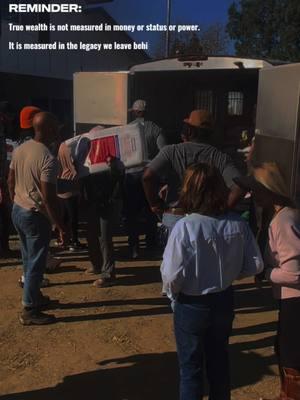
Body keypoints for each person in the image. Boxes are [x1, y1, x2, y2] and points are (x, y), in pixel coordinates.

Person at [161, 163, 264, 400]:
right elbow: (255, 264)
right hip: (224, 300)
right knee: (219, 363)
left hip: (191, 304)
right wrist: (229, 274)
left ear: (188, 190)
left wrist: (173, 296)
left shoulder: (185, 227)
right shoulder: (237, 223)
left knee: (190, 370)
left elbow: (172, 276)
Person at [234, 162, 300, 400]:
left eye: (256, 189)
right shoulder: (288, 214)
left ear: (270, 190)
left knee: (291, 356)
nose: (252, 194)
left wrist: (265, 272)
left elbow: (294, 274)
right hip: (291, 299)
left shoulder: (283, 220)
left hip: (294, 300)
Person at [143, 109, 244, 237]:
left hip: (175, 218)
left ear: (189, 131)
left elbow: (147, 176)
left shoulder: (171, 152)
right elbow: (239, 186)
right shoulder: (220, 157)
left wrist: (155, 203)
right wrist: (222, 210)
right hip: (207, 221)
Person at [7, 112, 66, 325]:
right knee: (36, 264)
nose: (58, 131)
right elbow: (49, 198)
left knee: (27, 258)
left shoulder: (20, 149)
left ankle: (36, 297)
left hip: (18, 209)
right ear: (49, 130)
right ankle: (30, 309)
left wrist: (15, 199)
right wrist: (59, 225)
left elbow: (10, 179)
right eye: (56, 128)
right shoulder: (47, 158)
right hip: (34, 215)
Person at [124, 99, 166, 258]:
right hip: (150, 175)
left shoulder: (127, 129)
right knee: (151, 209)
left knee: (131, 212)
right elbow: (163, 152)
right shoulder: (156, 129)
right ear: (146, 112)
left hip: (131, 176)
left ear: (135, 112)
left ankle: (133, 247)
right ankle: (150, 242)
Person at [84, 156, 124, 287]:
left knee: (105, 237)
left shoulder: (113, 148)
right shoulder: (87, 146)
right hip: (92, 198)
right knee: (92, 234)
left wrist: (113, 166)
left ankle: (108, 274)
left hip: (107, 200)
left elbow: (119, 175)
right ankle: (97, 264)